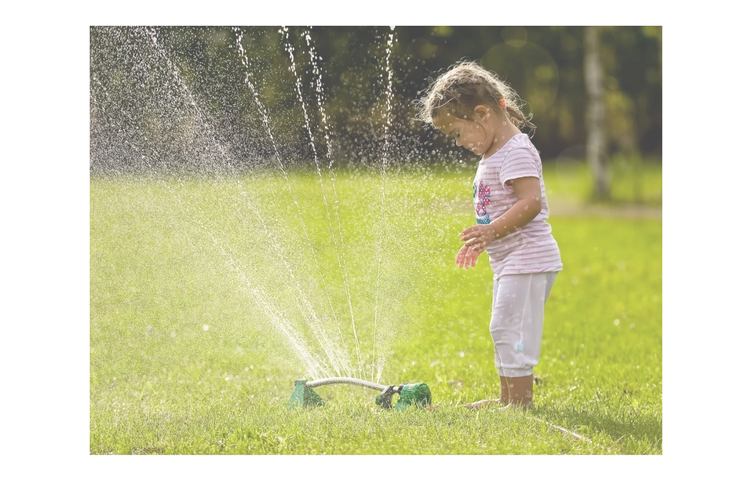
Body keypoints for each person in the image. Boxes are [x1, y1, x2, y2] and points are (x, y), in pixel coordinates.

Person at [418, 60, 563, 410]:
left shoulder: (516, 150)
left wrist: (491, 232)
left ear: (481, 114)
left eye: (456, 132)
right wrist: (486, 241)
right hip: (513, 260)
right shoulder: (494, 153)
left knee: (510, 331)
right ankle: (508, 399)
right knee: (504, 329)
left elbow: (531, 202)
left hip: (530, 258)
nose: (457, 143)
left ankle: (520, 402)